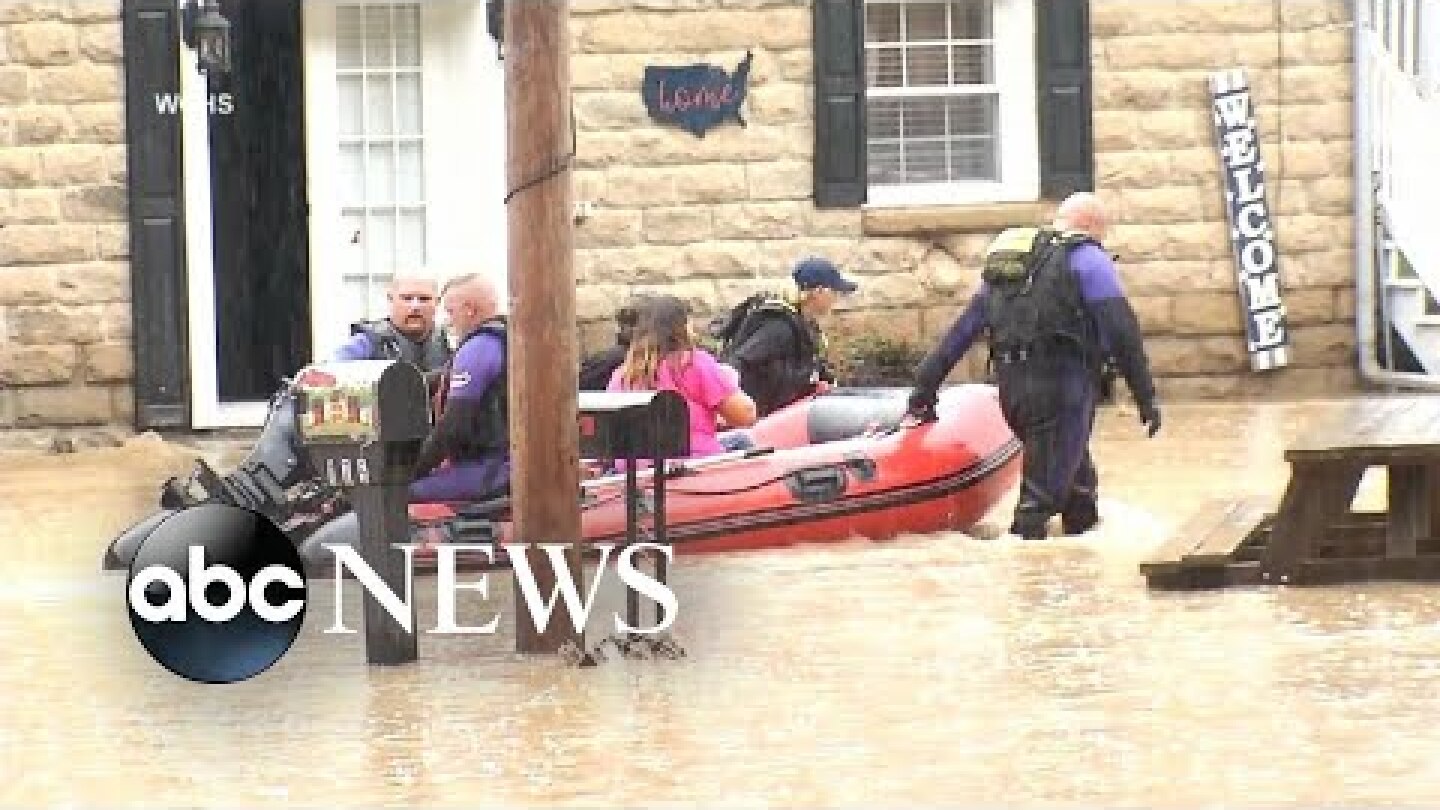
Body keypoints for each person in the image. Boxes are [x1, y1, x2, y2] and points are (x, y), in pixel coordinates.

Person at [903, 192, 1162, 540]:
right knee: (1039, 502)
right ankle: (1022, 576)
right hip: (1063, 392)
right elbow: (1122, 331)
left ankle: (1077, 573)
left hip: (1013, 392)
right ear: (1092, 226)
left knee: (1078, 489)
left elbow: (961, 332)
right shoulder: (1087, 259)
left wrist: (924, 389)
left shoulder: (1014, 264)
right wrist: (1145, 396)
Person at [608, 295, 757, 460]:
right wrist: (729, 381)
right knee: (743, 440)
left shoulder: (621, 375)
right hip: (692, 464)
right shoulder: (694, 363)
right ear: (682, 328)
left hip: (634, 470)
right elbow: (746, 416)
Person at [409, 273, 511, 503]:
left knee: (397, 495)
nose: (447, 321)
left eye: (450, 311)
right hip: (508, 463)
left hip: (489, 468)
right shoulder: (506, 339)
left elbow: (453, 428)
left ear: (469, 310)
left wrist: (410, 471)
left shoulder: (478, 347)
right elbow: (442, 377)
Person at [716, 256, 858, 417]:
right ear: (818, 292)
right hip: (756, 418)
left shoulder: (804, 326)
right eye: (835, 292)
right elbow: (738, 363)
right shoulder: (780, 328)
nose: (836, 299)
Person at [578, 296, 649, 392]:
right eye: (621, 324)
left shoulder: (613, 358)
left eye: (624, 324)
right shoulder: (612, 359)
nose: (617, 331)